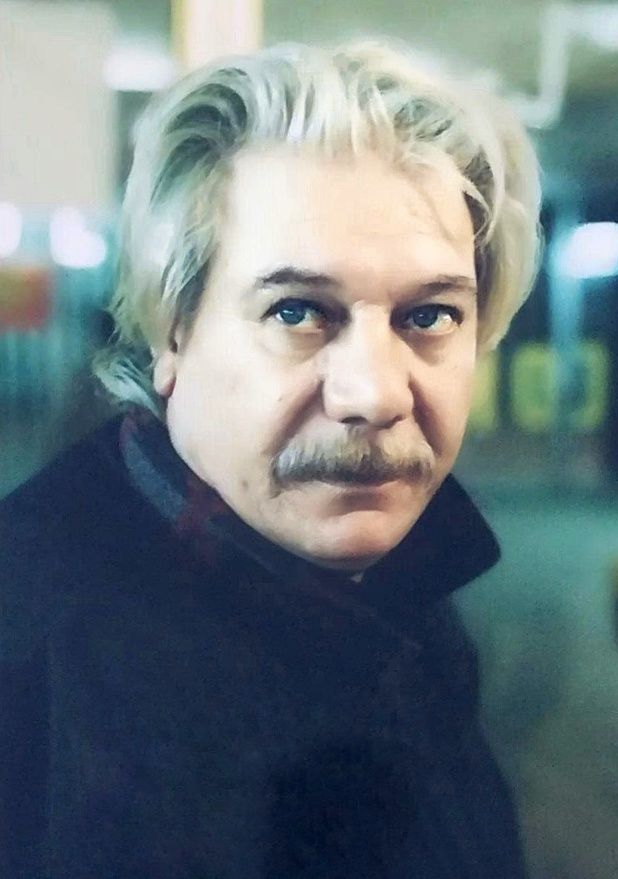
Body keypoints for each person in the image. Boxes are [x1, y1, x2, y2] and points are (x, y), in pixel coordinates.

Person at [0, 40, 541, 879]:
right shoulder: (32, 669)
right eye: (298, 311)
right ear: (171, 331)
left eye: (429, 316)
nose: (374, 393)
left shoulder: (404, 600)